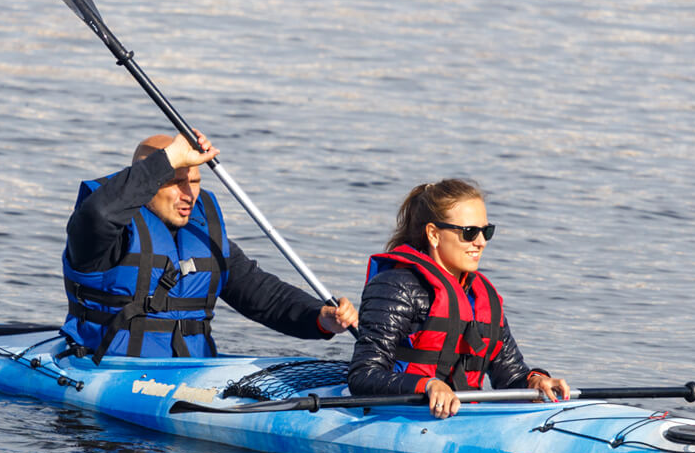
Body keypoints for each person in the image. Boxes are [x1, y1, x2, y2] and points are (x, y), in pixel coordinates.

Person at [60, 131, 357, 362]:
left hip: (191, 373)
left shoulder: (204, 238)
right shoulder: (99, 238)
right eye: (175, 181)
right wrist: (167, 158)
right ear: (146, 181)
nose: (188, 194)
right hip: (110, 369)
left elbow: (266, 297)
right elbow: (98, 213)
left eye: (195, 181)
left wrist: (320, 318)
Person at [348, 179, 569, 418]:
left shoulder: (481, 297)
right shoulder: (395, 287)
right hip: (399, 413)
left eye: (486, 231)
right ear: (433, 234)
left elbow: (509, 376)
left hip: (461, 417)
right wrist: (428, 385)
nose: (481, 242)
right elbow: (364, 375)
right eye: (469, 232)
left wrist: (534, 381)